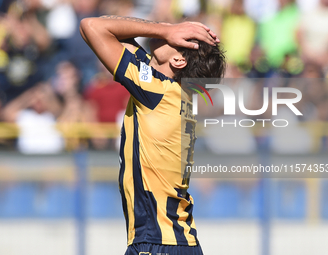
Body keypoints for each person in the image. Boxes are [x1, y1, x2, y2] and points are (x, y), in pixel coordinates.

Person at [80, 16, 226, 255]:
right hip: (174, 242)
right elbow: (104, 31)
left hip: (158, 243)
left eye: (179, 36)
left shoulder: (157, 90)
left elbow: (91, 26)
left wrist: (164, 30)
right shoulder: (170, 90)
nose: (171, 30)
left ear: (178, 60)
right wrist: (167, 31)